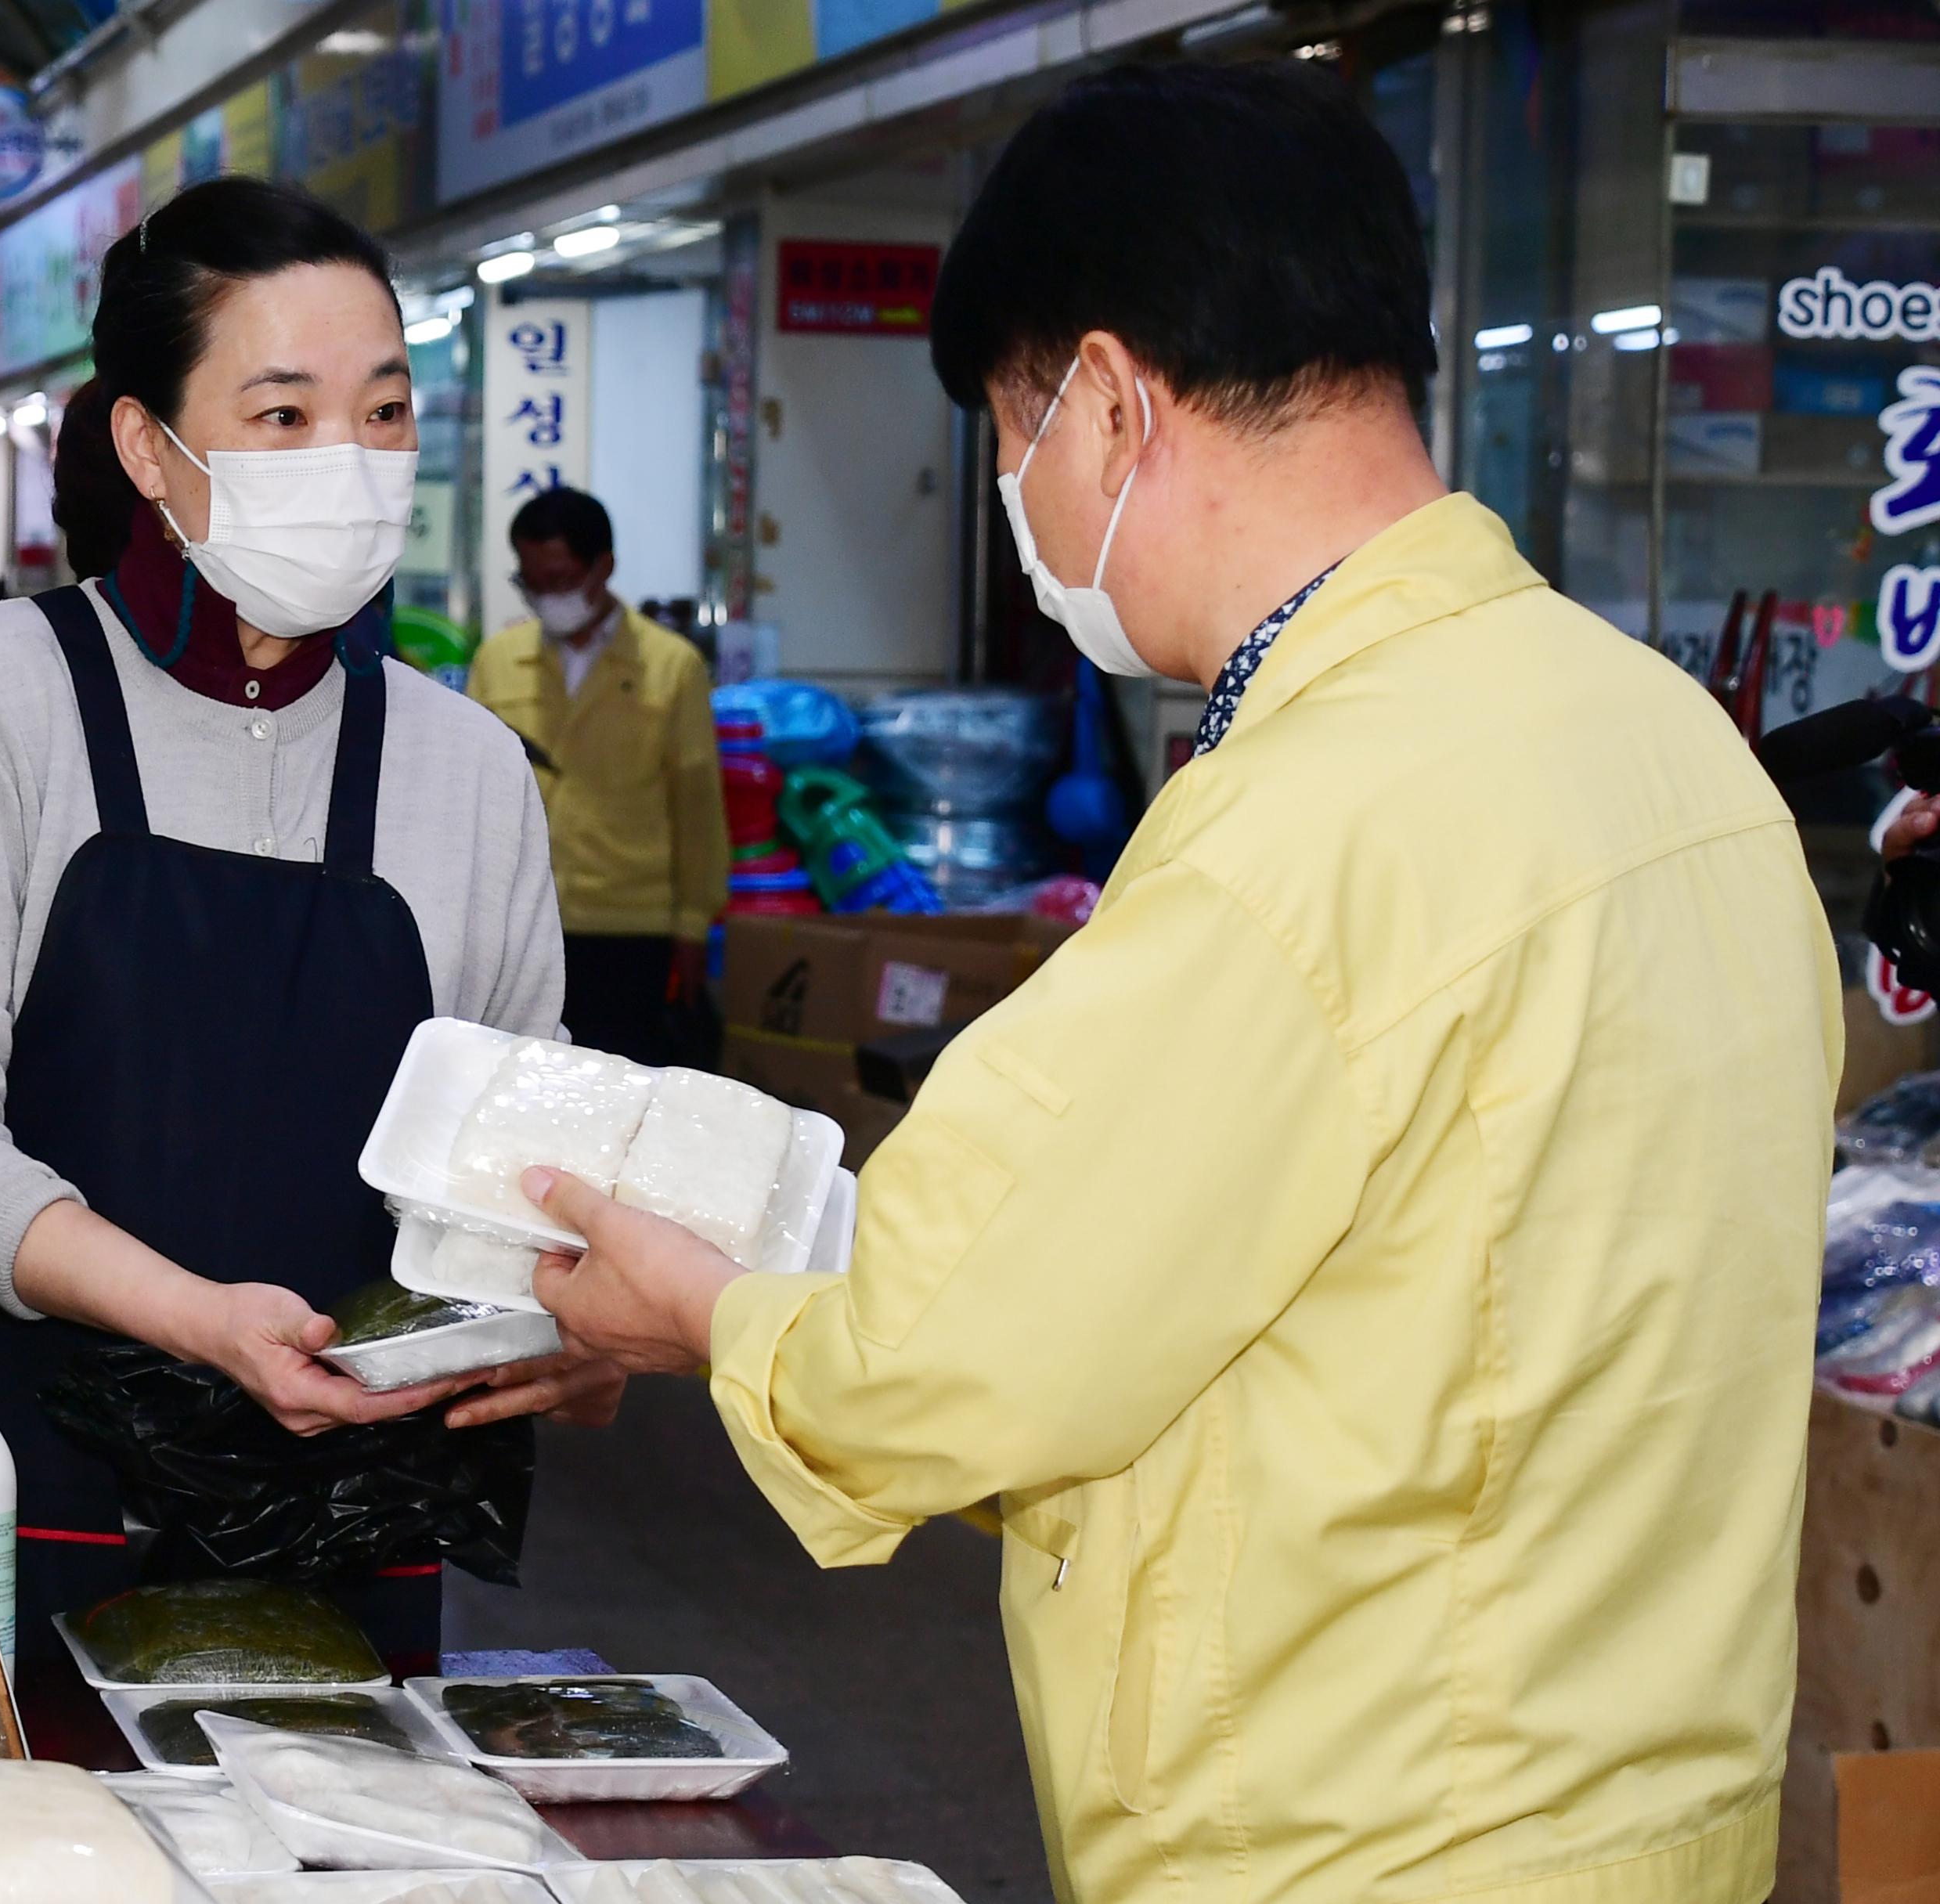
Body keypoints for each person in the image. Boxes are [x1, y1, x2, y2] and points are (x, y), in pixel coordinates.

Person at [524, 61, 1837, 1904]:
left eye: (1010, 427)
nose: (1013, 493)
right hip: (1654, 1826)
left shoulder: (1297, 831)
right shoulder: (1670, 752)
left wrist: (710, 1313)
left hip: (1362, 1841)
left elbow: (947, 1349)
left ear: (1116, 402)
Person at [0, 177, 617, 1668]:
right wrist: (192, 1316)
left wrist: (572, 1328)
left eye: (382, 414)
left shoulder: (464, 766)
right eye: (284, 416)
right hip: (2, 1519)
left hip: (350, 1532)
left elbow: (511, 1169)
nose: (351, 462)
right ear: (148, 448)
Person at [466, 488, 726, 1064]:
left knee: (624, 1081)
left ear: (602, 566)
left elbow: (697, 803)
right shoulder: (498, 661)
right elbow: (474, 794)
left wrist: (691, 925)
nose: (547, 596)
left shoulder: (670, 665)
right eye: (532, 582)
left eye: (559, 578)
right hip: (525, 923)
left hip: (631, 925)